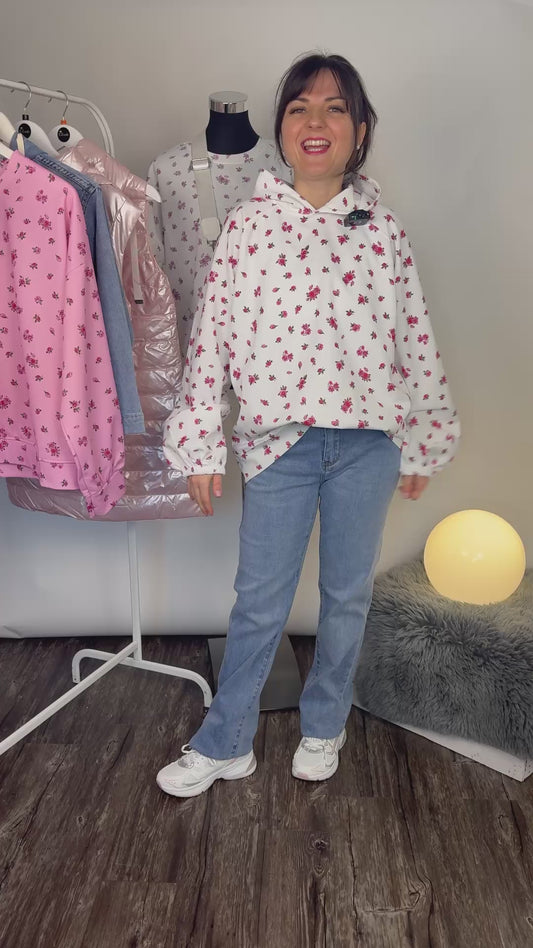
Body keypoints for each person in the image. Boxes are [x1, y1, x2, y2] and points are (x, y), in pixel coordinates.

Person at [157, 52, 460, 798]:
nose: (315, 121)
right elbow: (211, 340)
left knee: (346, 595)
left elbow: (414, 337)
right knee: (259, 601)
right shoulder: (248, 229)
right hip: (279, 445)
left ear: (359, 130)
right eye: (299, 107)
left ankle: (325, 725)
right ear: (282, 128)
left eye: (334, 108)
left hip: (366, 445)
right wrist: (199, 442)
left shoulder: (382, 232)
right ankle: (226, 740)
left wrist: (423, 438)